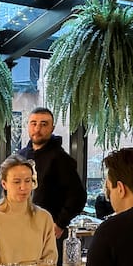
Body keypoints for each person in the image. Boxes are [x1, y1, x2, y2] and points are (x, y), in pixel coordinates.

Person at [18, 108, 86, 256]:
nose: (38, 129)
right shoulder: (20, 157)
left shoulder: (62, 159)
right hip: (21, 228)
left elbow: (78, 196)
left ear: (52, 128)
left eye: (44, 124)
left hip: (50, 230)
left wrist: (60, 223)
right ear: (28, 126)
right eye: (33, 123)